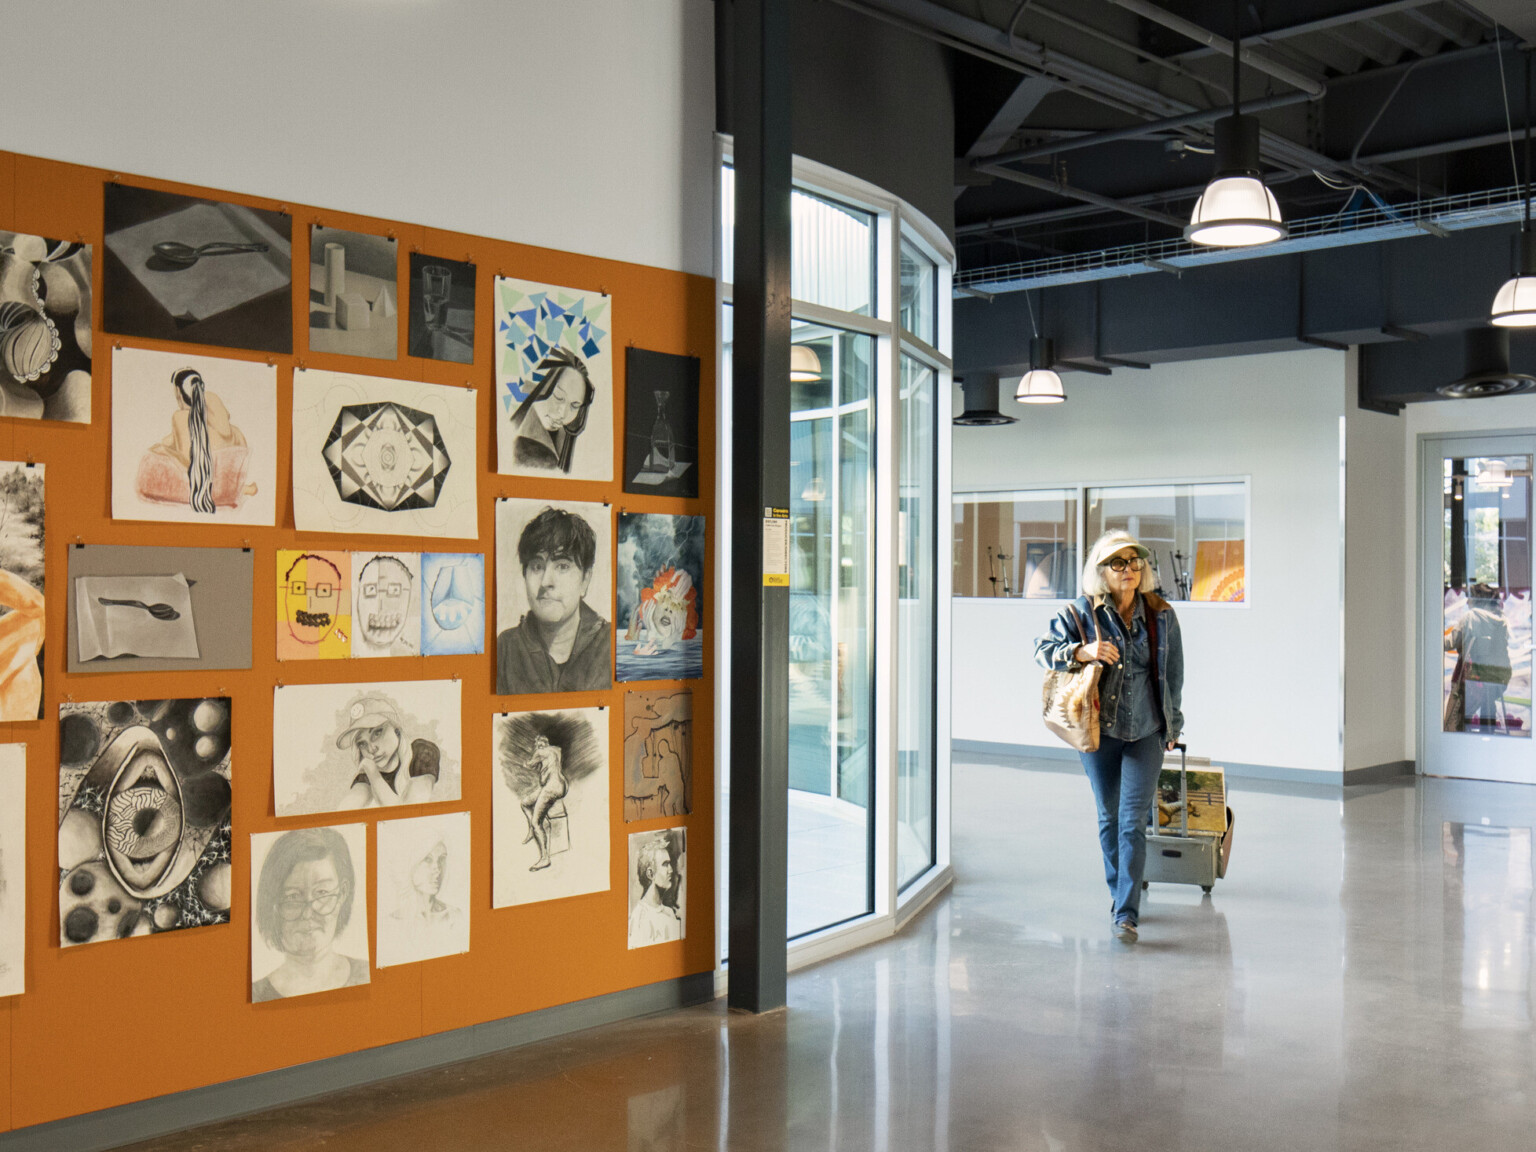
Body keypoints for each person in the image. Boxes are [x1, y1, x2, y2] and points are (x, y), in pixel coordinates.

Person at [1035, 530, 1184, 945]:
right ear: (1100, 571)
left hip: (1148, 731)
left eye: (1135, 561)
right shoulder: (1082, 613)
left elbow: (1174, 675)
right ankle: (1123, 886)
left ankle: (1126, 912)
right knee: (1109, 816)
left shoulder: (1161, 613)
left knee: (1133, 821)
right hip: (1100, 732)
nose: (1129, 570)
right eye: (1118, 563)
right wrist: (1082, 652)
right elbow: (1041, 649)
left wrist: (1174, 725)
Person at [496, 506, 612, 694]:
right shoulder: (506, 648)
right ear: (524, 574)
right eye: (537, 566)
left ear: (585, 580)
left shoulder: (611, 644)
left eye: (562, 566)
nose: (546, 582)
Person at [252, 827, 367, 1001]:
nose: (308, 914)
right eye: (292, 896)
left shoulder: (367, 975)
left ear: (342, 894)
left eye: (321, 892)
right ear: (272, 904)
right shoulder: (256, 995)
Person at [134, 367, 257, 513]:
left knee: (152, 460)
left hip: (208, 481)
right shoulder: (223, 421)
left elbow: (188, 460)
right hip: (227, 477)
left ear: (179, 393)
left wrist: (164, 450)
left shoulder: (181, 418)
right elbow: (182, 439)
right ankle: (238, 489)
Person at [335, 697, 440, 809]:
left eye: (377, 733)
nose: (371, 749)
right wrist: (371, 772)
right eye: (362, 743)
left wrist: (373, 774)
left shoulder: (421, 752)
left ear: (396, 730)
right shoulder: (367, 774)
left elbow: (411, 812)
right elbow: (345, 809)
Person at [383, 823, 465, 963]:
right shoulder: (391, 924)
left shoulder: (454, 916)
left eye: (441, 859)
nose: (437, 869)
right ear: (410, 864)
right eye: (427, 859)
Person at [507, 347, 594, 473]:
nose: (562, 413)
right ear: (540, 387)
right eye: (558, 397)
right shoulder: (532, 451)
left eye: (574, 406)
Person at [1445, 583, 1512, 732]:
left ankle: (1457, 741)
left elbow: (1450, 642)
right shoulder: (1502, 621)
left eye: (1469, 598)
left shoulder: (1471, 617)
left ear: (1477, 600)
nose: (1467, 602)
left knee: (1453, 717)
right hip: (1495, 679)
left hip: (1471, 680)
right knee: (1487, 706)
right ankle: (1488, 734)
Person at [520, 735, 569, 871]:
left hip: (551, 788)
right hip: (562, 785)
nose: (537, 747)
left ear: (538, 744)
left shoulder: (540, 752)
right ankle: (532, 830)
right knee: (525, 803)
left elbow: (529, 765)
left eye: (537, 744)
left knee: (537, 822)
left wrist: (526, 762)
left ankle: (545, 858)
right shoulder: (556, 749)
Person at [628, 837, 682, 946]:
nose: (671, 870)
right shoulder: (639, 918)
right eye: (665, 864)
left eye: (670, 863)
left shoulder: (669, 913)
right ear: (650, 874)